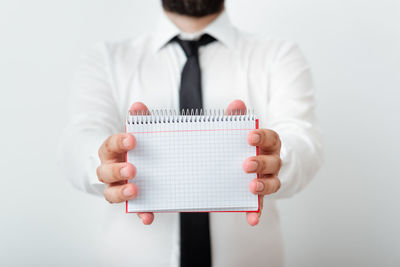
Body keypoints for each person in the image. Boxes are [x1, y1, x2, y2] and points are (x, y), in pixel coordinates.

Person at [59, 0, 323, 266]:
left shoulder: (279, 54)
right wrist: (106, 164)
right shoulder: (106, 59)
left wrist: (276, 161)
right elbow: (77, 143)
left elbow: (303, 141)